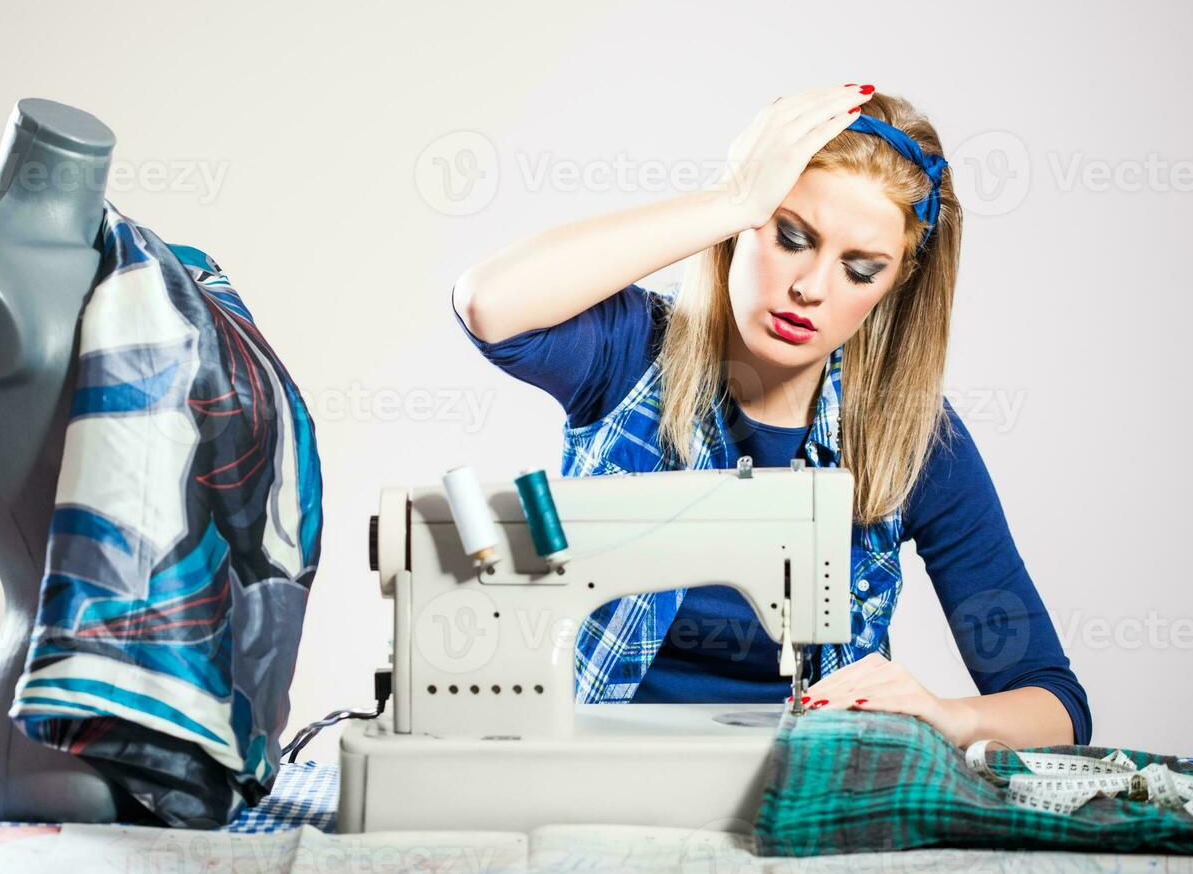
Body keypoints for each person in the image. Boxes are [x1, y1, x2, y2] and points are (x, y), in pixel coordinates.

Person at [450, 84, 1091, 748]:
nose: (810, 287)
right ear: (741, 230)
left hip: (796, 804)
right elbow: (490, 304)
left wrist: (950, 716)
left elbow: (1058, 706)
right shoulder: (627, 356)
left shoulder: (909, 436)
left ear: (895, 285)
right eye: (789, 235)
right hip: (593, 785)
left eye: (860, 270)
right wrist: (730, 198)